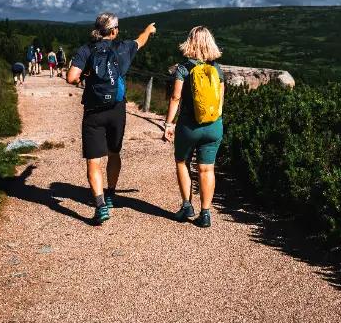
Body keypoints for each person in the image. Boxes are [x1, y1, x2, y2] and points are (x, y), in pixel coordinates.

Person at [66, 12, 156, 224]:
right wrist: (148, 30)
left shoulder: (85, 49)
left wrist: (85, 76)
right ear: (114, 31)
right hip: (117, 110)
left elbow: (71, 77)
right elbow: (140, 41)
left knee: (94, 160)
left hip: (93, 111)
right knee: (114, 153)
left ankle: (100, 206)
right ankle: (111, 194)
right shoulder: (123, 48)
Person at [163, 26, 225, 228]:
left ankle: (187, 206)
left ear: (190, 42)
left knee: (182, 162)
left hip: (189, 127)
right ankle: (205, 213)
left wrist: (169, 123)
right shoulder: (217, 69)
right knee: (207, 169)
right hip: (214, 125)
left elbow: (175, 97)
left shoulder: (183, 68)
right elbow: (220, 102)